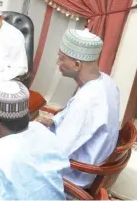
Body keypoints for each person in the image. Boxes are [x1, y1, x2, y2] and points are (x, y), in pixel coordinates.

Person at [37, 28, 120, 188]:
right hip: (87, 164)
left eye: (61, 59)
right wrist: (53, 122)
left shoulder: (86, 102)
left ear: (76, 64)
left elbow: (58, 153)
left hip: (72, 176)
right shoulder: (107, 81)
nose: (57, 62)